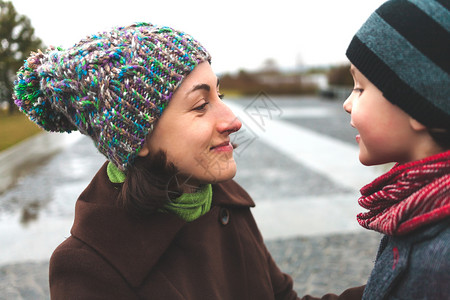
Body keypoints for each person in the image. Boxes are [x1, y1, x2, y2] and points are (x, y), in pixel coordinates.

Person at [13, 23, 300, 299]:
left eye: (219, 94)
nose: (233, 121)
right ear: (139, 139)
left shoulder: (224, 201)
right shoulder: (88, 269)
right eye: (201, 105)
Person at [301, 0, 450, 299]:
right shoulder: (414, 204)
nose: (347, 103)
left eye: (360, 88)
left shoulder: (439, 261)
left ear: (416, 103)